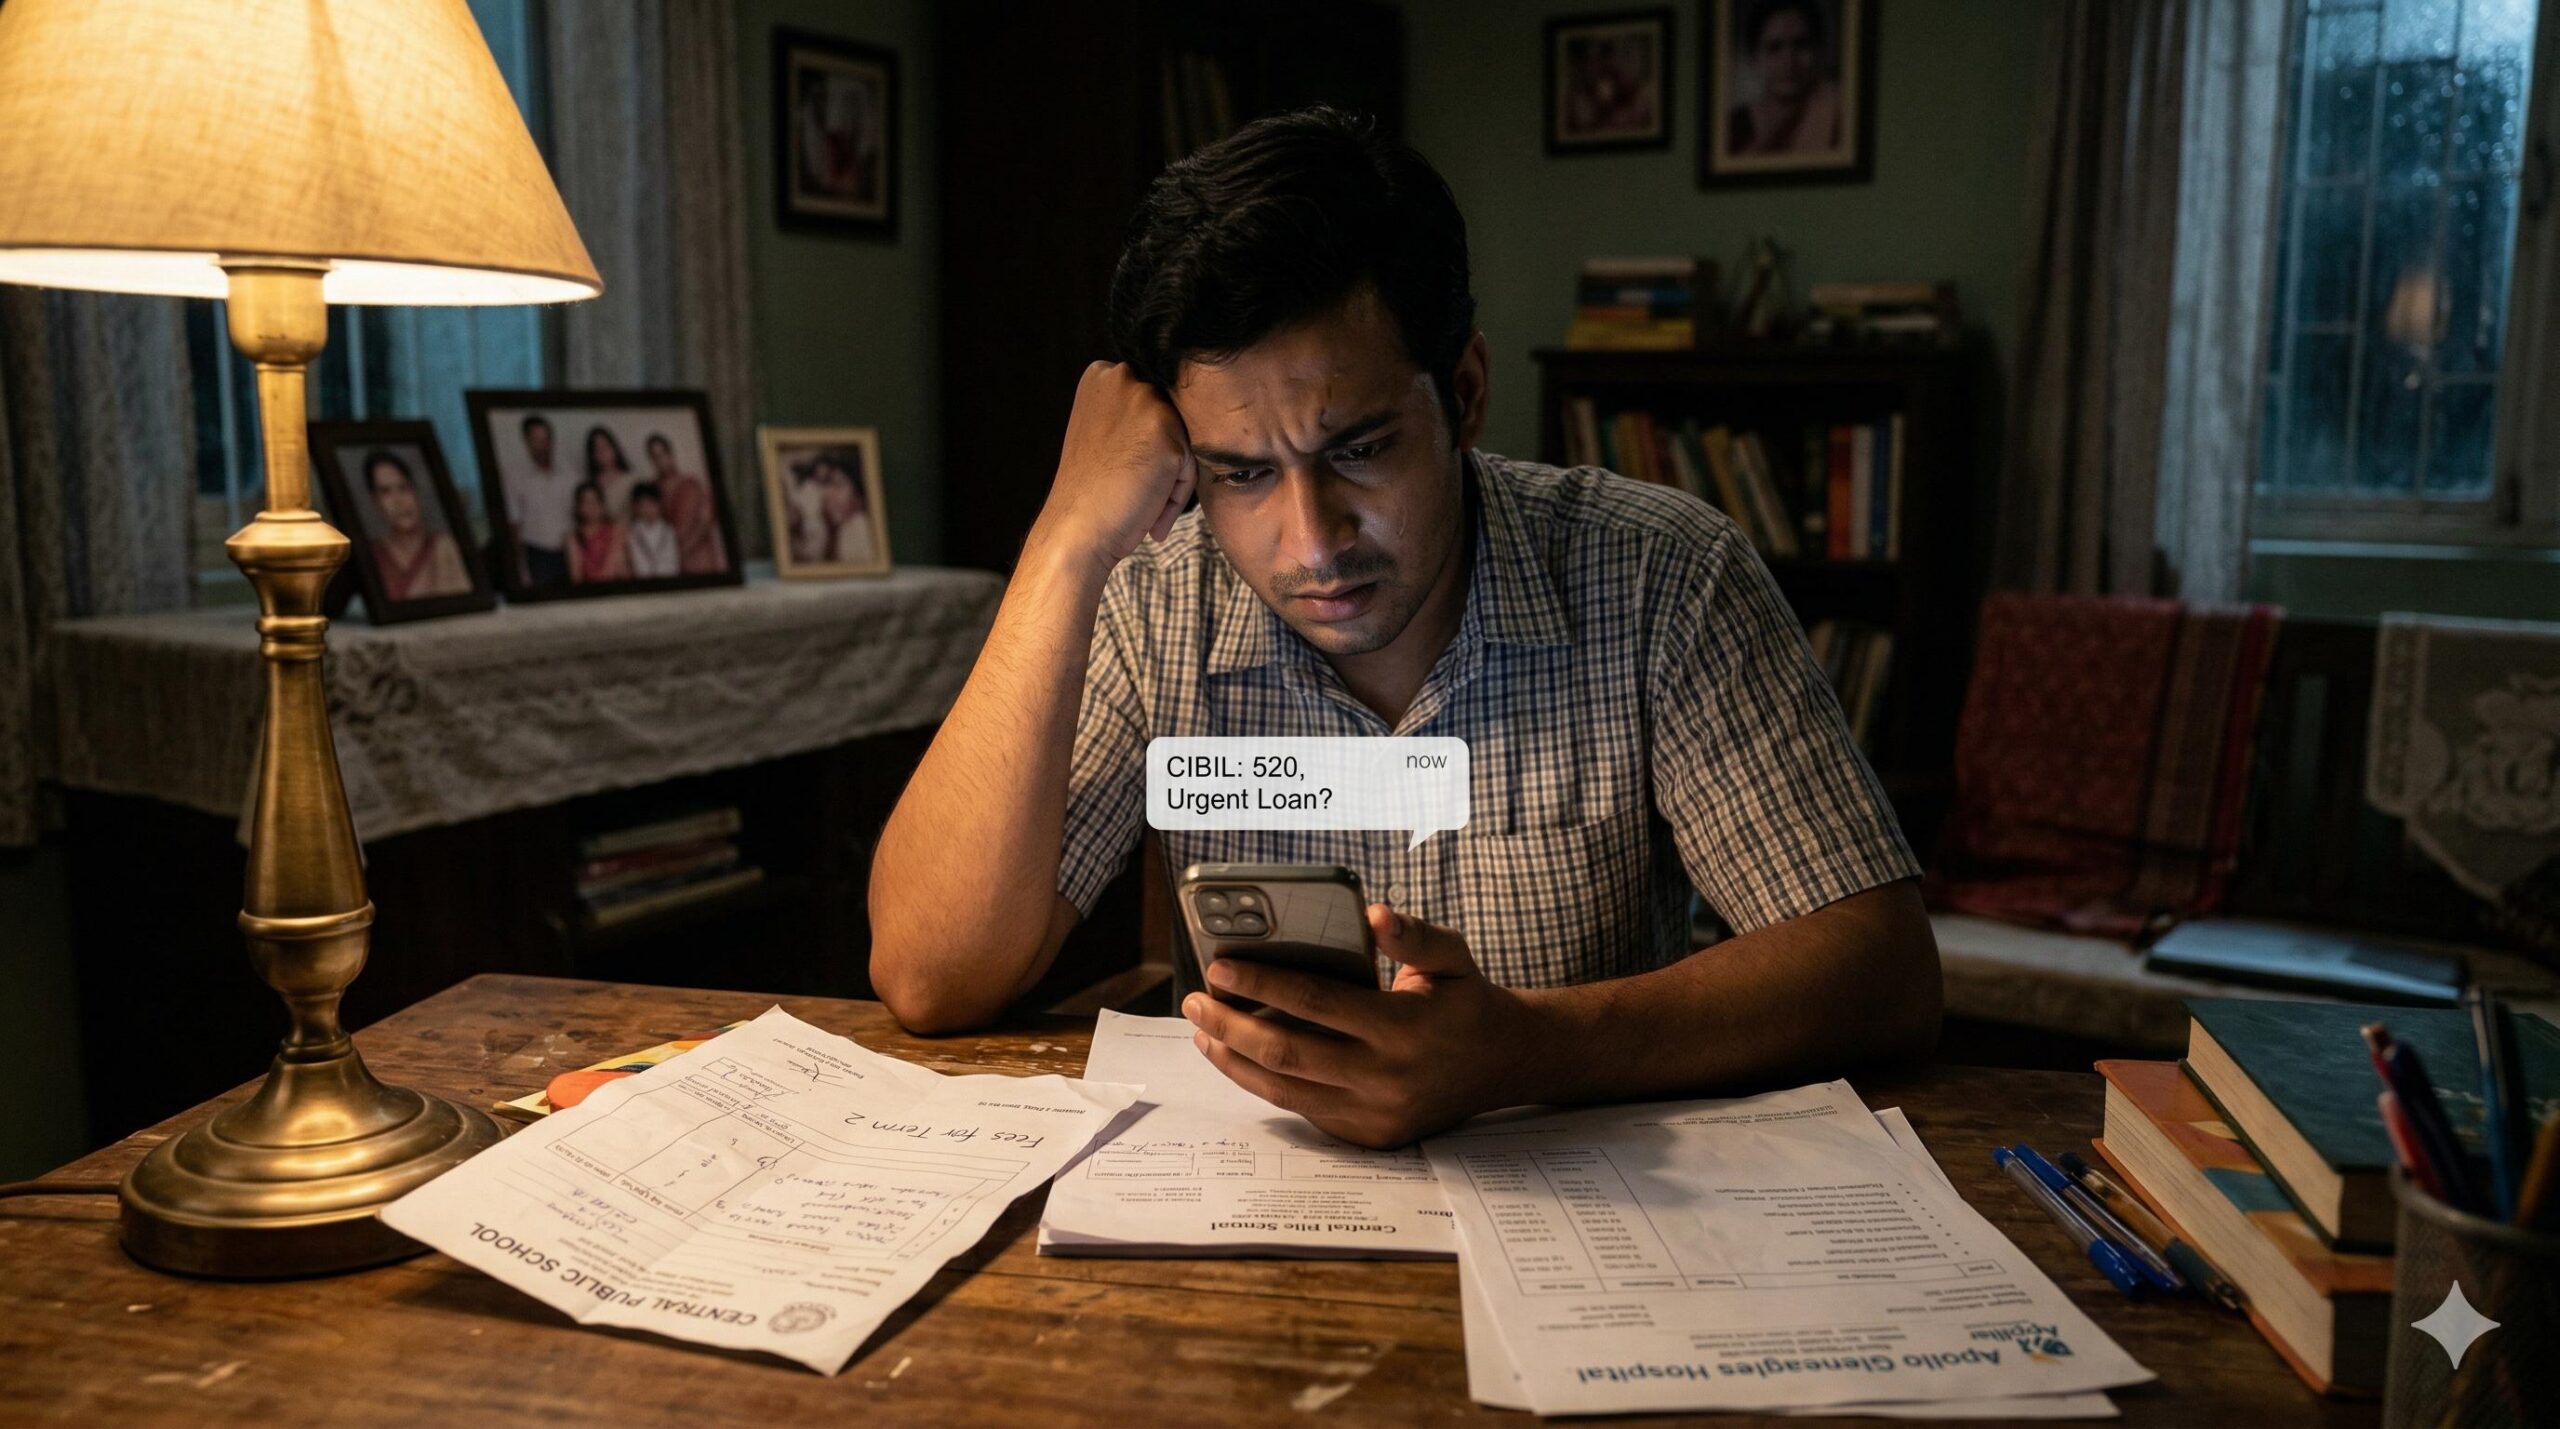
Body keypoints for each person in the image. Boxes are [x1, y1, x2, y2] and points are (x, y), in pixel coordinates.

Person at [867, 107, 1937, 1150]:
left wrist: (1524, 1049)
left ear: (1464, 394)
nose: (1311, 543)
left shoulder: (1662, 572)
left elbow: (1878, 968)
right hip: (1251, 1232)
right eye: (1241, 474)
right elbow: (927, 973)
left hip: (1585, 1219)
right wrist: (1064, 543)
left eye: (1358, 450)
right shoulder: (1154, 599)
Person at [1725, 0, 1841, 157]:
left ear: (1819, 51)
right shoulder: (1732, 129)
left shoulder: (1840, 120)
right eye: (1774, 47)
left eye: (1801, 45)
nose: (1788, 61)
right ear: (1754, 59)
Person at [359, 449, 469, 602]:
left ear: (416, 492)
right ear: (375, 502)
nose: (399, 501)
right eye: (385, 492)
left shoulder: (444, 547)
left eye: (404, 488)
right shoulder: (373, 556)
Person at [503, 414, 575, 588]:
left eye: (546, 439)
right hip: (537, 554)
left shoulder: (569, 474)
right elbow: (514, 523)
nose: (543, 445)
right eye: (536, 440)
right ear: (527, 442)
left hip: (570, 551)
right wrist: (520, 568)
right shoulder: (515, 476)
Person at [643, 432, 724, 574]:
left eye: (663, 454)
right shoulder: (651, 491)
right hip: (669, 561)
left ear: (670, 454)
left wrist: (685, 549)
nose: (660, 461)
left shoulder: (692, 484)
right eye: (655, 457)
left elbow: (705, 521)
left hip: (698, 556)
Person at [787, 448, 877, 566]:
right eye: (825, 485)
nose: (827, 494)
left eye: (837, 485)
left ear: (859, 499)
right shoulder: (828, 531)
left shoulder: (858, 528)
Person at [567, 479, 629, 584]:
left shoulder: (616, 530)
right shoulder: (573, 538)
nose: (591, 507)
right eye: (586, 502)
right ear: (578, 508)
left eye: (595, 501)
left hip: (619, 590)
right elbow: (576, 577)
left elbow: (618, 567)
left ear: (602, 505)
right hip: (589, 593)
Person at [624, 481, 680, 579]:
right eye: (643, 505)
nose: (647, 509)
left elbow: (673, 561)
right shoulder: (631, 533)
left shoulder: (669, 531)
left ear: (659, 505)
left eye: (651, 504)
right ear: (636, 508)